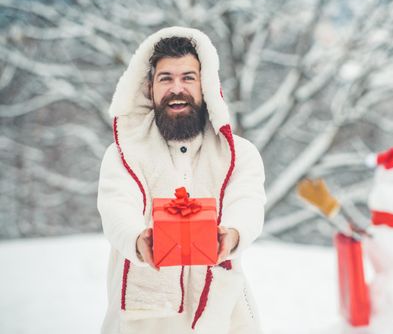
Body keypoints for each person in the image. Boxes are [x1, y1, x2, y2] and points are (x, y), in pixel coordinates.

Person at [97, 27, 266, 334]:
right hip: (141, 320)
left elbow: (248, 201)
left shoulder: (239, 153)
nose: (177, 88)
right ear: (150, 87)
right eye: (166, 79)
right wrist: (137, 238)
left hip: (222, 313)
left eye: (188, 77)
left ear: (207, 85)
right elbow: (116, 205)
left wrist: (233, 233)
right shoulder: (122, 153)